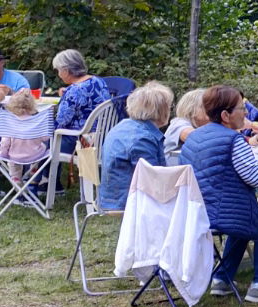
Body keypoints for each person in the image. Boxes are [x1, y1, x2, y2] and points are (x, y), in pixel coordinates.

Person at [181, 85, 258, 302]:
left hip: (196, 212)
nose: (246, 113)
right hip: (221, 213)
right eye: (241, 108)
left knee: (242, 216)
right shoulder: (233, 141)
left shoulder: (194, 138)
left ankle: (222, 278)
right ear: (225, 115)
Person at [99, 82, 173, 211]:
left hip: (111, 197)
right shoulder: (142, 138)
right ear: (161, 110)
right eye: (169, 106)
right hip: (130, 201)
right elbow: (153, 181)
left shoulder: (123, 126)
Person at [52, 49, 112, 152]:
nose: (58, 74)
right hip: (102, 133)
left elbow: (61, 122)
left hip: (81, 137)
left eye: (58, 70)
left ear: (66, 71)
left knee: (42, 143)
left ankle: (49, 168)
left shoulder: (73, 91)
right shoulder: (97, 80)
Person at [0, 89, 51, 182]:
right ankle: (34, 170)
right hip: (35, 155)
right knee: (42, 146)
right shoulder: (37, 121)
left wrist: (3, 154)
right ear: (32, 105)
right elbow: (46, 137)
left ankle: (16, 178)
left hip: (14, 156)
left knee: (12, 161)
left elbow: (5, 142)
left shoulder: (9, 123)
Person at [163, 87, 207, 165]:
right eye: (206, 106)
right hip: (172, 174)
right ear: (191, 108)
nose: (211, 110)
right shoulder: (179, 123)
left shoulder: (200, 126)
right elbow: (195, 137)